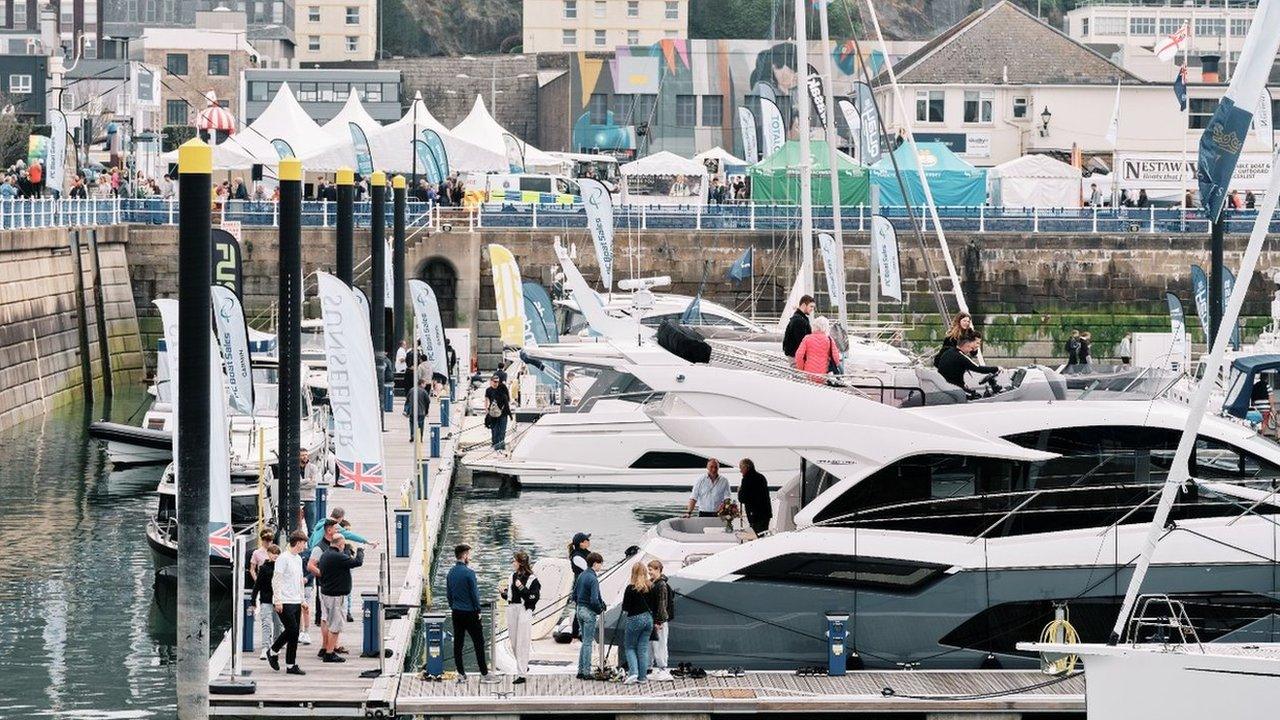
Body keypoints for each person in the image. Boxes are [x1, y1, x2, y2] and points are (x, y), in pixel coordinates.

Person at [446, 544, 491, 681]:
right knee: (478, 642)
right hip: (471, 613)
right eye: (468, 555)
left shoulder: (450, 573)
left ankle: (461, 673)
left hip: (456, 612)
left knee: (458, 643)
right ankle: (484, 674)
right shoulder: (469, 573)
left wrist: (453, 607)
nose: (469, 557)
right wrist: (478, 610)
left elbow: (448, 594)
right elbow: (474, 594)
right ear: (464, 555)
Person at [317, 533, 364, 662]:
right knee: (336, 625)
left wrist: (347, 551)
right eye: (343, 545)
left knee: (327, 620)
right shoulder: (337, 557)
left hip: (326, 593)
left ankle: (325, 647)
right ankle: (329, 653)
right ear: (340, 544)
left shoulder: (326, 554)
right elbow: (357, 562)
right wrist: (360, 550)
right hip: (336, 596)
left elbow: (344, 561)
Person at [267, 531, 309, 675]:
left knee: (294, 634)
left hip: (296, 600)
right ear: (298, 543)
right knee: (292, 630)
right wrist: (277, 600)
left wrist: (303, 599)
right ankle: (273, 650)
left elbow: (299, 580)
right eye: (303, 543)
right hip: (284, 600)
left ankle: (291, 665)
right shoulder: (283, 558)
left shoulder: (298, 558)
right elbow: (276, 579)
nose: (305, 546)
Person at [501, 551, 541, 684]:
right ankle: (523, 665)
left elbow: (533, 597)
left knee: (522, 641)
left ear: (520, 563)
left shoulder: (532, 579)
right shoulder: (511, 576)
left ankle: (522, 673)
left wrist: (522, 588)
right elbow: (511, 596)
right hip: (512, 608)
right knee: (513, 641)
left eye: (514, 561)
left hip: (524, 609)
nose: (512, 563)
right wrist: (504, 594)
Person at [573, 551, 606, 680]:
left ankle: (580, 670)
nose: (601, 566)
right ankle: (586, 672)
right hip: (588, 612)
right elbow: (594, 599)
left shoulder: (581, 575)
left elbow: (574, 595)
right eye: (600, 564)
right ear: (595, 564)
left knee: (584, 642)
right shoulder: (593, 578)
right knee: (588, 643)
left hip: (579, 609)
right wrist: (599, 609)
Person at [620, 563, 654, 684]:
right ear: (645, 572)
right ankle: (643, 677)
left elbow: (625, 607)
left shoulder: (631, 588)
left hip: (635, 619)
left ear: (633, 573)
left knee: (629, 647)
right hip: (648, 619)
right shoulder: (650, 586)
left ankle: (633, 673)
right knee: (643, 649)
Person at [934, 334, 999, 394]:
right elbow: (978, 368)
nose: (971, 350)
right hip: (956, 390)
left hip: (946, 386)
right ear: (966, 345)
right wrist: (997, 368)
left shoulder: (948, 351)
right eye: (971, 348)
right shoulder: (961, 357)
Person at [251, 543, 283, 658]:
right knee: (266, 624)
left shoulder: (281, 567)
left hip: (278, 600)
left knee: (278, 624)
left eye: (277, 554)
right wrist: (253, 600)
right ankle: (265, 647)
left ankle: (276, 644)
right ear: (268, 554)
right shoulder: (264, 568)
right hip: (266, 599)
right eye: (273, 553)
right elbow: (258, 584)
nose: (275, 556)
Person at [647, 559, 674, 681]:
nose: (649, 572)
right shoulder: (655, 583)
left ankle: (662, 668)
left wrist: (659, 621)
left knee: (660, 645)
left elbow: (662, 605)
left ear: (658, 569)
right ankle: (652, 667)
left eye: (651, 570)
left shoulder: (661, 585)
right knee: (653, 645)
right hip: (655, 620)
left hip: (659, 621)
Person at [794, 315, 842, 382]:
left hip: (809, 372)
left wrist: (801, 368)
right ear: (826, 327)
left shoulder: (807, 338)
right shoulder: (829, 340)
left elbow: (799, 355)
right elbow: (836, 358)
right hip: (824, 372)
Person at [736, 458, 771, 534]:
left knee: (756, 537)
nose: (740, 471)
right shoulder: (761, 477)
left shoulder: (747, 479)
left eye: (741, 468)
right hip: (765, 513)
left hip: (755, 515)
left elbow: (742, 498)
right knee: (763, 536)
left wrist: (739, 491)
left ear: (746, 467)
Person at [568, 532, 591, 638]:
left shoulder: (585, 553)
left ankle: (579, 632)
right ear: (581, 543)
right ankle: (575, 632)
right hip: (580, 584)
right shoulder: (577, 556)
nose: (589, 542)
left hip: (586, 582)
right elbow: (588, 569)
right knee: (580, 608)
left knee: (584, 608)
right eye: (586, 540)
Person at [484, 373, 512, 451]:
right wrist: (486, 410)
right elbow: (486, 400)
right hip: (493, 413)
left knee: (502, 430)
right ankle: (495, 445)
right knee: (494, 430)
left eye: (497, 381)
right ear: (491, 381)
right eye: (495, 381)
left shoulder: (502, 388)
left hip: (503, 413)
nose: (496, 383)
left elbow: (507, 399)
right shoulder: (488, 390)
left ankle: (501, 445)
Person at [782, 295, 815, 359]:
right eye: (811, 306)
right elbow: (801, 341)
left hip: (795, 354)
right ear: (803, 305)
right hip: (796, 356)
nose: (812, 309)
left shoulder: (799, 318)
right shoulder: (799, 320)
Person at [299, 449, 321, 533]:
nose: (305, 457)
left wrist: (300, 485)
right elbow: (295, 484)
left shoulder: (313, 467)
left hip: (310, 499)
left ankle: (311, 545)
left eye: (306, 455)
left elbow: (314, 484)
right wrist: (308, 479)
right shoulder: (294, 468)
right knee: (297, 527)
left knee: (311, 528)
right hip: (298, 499)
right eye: (302, 455)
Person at [405, 377, 430, 442]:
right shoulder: (424, 392)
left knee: (412, 424)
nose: (425, 385)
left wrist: (406, 411)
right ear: (421, 384)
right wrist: (426, 411)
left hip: (412, 411)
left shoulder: (411, 390)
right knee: (420, 425)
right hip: (421, 412)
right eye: (425, 384)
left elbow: (407, 401)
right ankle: (420, 437)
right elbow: (428, 402)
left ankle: (412, 435)